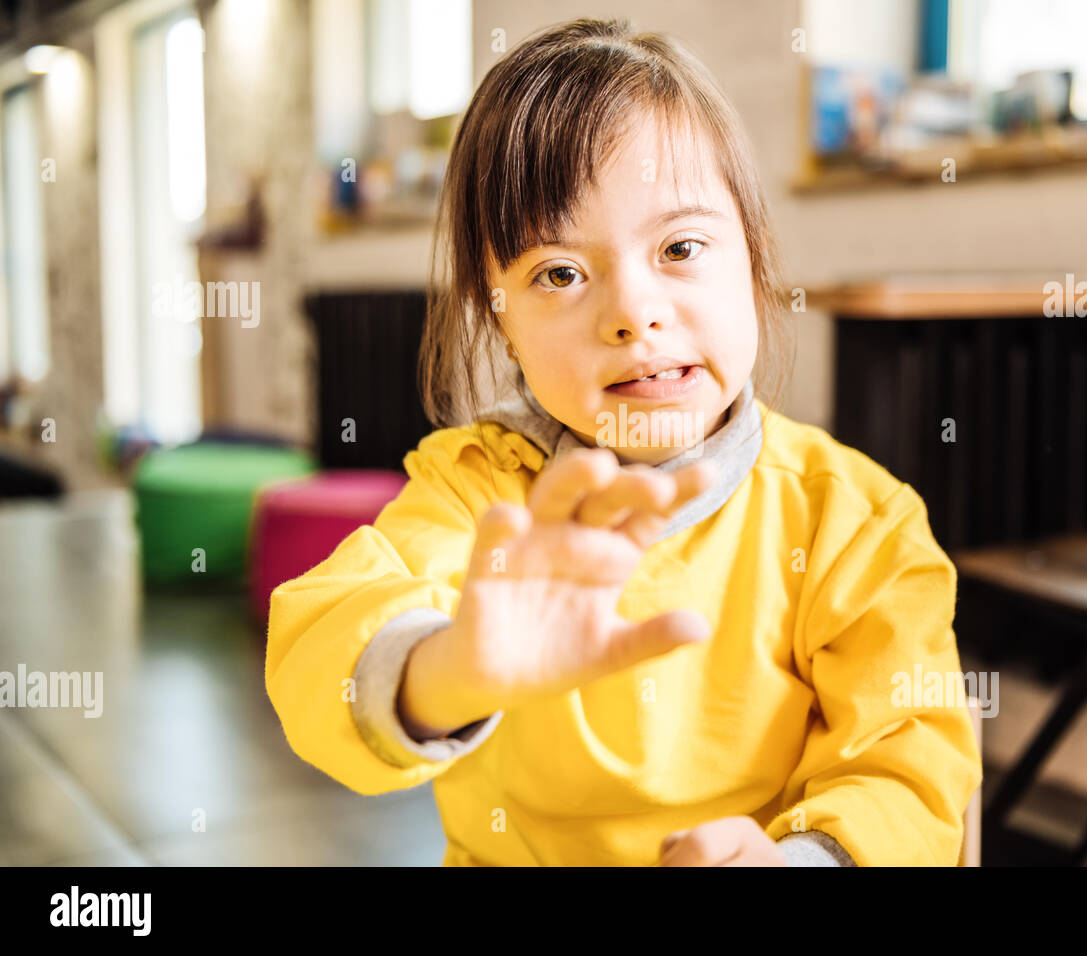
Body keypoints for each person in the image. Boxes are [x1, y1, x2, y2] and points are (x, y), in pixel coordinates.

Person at [266, 17, 981, 867]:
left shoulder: (854, 521)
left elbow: (915, 763)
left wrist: (806, 860)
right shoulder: (477, 493)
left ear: (752, 264)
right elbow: (323, 645)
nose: (632, 314)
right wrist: (446, 667)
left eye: (681, 247)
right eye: (559, 273)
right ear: (499, 322)